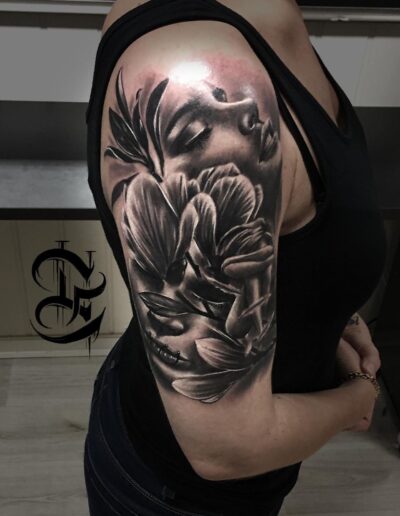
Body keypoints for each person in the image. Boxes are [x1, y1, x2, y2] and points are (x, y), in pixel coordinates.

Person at [83, 1, 387, 515]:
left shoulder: (264, 12)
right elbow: (226, 450)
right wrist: (357, 400)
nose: (240, 110)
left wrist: (333, 313)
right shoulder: (189, 69)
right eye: (197, 131)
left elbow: (291, 235)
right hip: (182, 496)